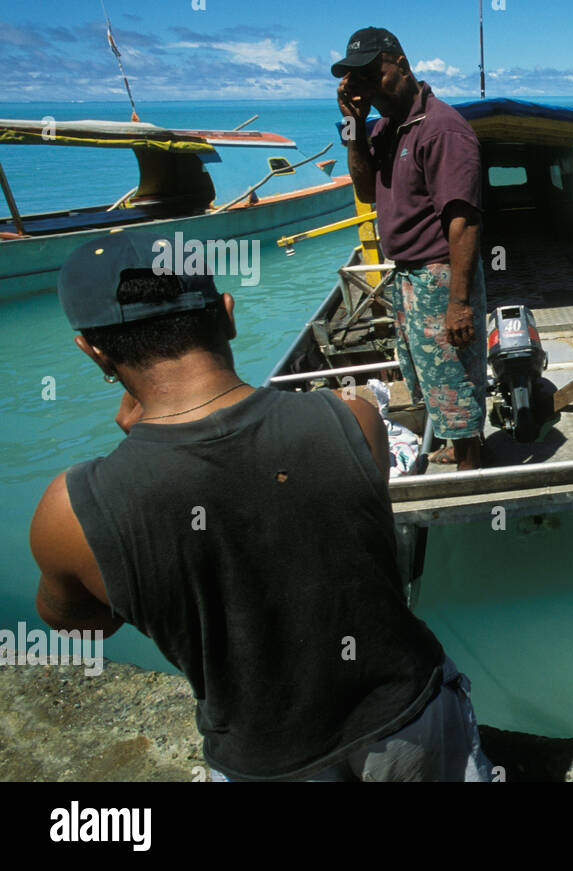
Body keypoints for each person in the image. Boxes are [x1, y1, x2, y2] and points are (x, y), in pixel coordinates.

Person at [29, 231, 493, 782]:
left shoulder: (70, 512)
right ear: (227, 314)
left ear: (93, 350)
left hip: (264, 756)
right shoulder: (352, 419)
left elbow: (83, 626)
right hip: (406, 722)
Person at [334, 27, 486, 471]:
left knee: (454, 377)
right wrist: (354, 125)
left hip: (440, 274)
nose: (366, 85)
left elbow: (463, 220)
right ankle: (461, 450)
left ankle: (470, 470)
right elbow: (364, 187)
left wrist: (458, 303)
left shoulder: (441, 129)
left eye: (372, 73)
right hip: (406, 276)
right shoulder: (385, 129)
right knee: (428, 375)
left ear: (400, 62)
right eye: (355, 79)